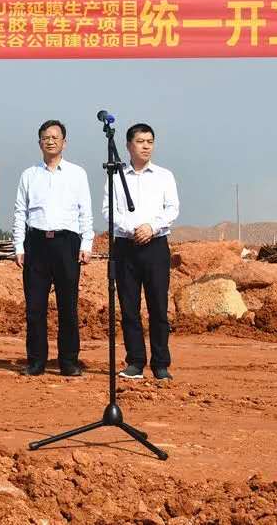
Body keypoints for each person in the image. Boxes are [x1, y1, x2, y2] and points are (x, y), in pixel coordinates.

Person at [12, 120, 94, 376]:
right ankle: (36, 361)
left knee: (68, 306)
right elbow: (20, 212)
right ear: (39, 142)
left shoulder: (77, 174)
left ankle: (68, 361)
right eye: (45, 137)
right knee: (35, 307)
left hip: (67, 243)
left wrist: (87, 242)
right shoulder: (29, 175)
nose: (50, 141)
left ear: (64, 142)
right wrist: (18, 245)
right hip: (36, 243)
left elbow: (85, 211)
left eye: (55, 137)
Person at [103, 123, 179, 381]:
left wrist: (151, 228)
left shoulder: (164, 176)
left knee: (158, 307)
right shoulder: (115, 176)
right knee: (129, 308)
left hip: (156, 246)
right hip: (126, 246)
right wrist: (132, 229)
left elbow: (172, 209)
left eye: (150, 141)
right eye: (140, 141)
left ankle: (161, 363)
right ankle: (135, 361)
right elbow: (108, 210)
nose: (146, 146)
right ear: (128, 145)